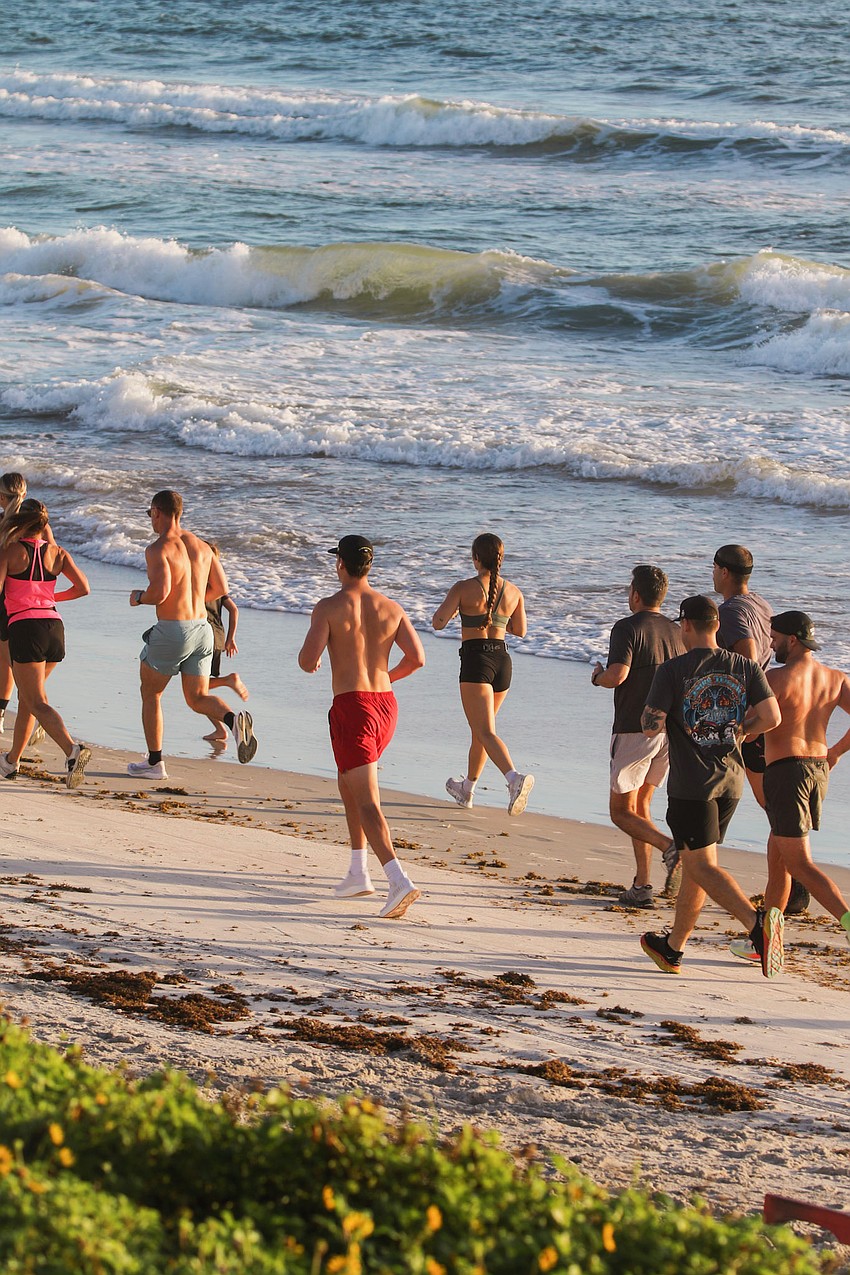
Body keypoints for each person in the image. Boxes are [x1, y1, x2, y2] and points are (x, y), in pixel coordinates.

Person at [638, 595, 782, 978]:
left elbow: (650, 726)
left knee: (698, 864)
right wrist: (742, 731)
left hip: (692, 786)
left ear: (685, 626)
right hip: (730, 783)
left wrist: (655, 714)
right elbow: (771, 716)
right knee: (701, 863)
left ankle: (757, 926)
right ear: (717, 625)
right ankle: (673, 948)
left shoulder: (673, 670)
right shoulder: (745, 666)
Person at [298, 534, 425, 919]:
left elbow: (307, 660)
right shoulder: (391, 607)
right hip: (385, 706)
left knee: (368, 798)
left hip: (353, 707)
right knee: (347, 780)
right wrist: (383, 679)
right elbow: (417, 658)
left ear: (340, 564)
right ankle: (358, 871)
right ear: (369, 566)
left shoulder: (329, 606)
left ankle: (397, 878)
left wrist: (318, 661)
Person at [730, 612, 850, 963]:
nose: (771, 643)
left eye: (775, 637)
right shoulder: (835, 678)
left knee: (799, 864)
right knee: (778, 860)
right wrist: (836, 752)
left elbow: (752, 728)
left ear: (793, 640)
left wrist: (737, 730)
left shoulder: (776, 677)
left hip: (786, 773)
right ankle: (766, 941)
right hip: (817, 771)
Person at [128, 491, 257, 779]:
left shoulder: (158, 548)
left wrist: (138, 597)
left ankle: (154, 763)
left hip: (173, 630)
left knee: (151, 694)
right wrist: (195, 602)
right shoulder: (202, 546)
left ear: (157, 512)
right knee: (197, 697)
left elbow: (159, 592)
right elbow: (221, 588)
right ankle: (234, 722)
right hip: (203, 629)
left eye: (150, 514)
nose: (151, 519)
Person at [713, 543, 810, 916]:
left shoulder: (731, 610)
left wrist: (747, 709)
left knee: (773, 806)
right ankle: (795, 884)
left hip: (753, 717)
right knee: (773, 804)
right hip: (767, 709)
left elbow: (751, 654)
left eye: (714, 568)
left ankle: (796, 887)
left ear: (722, 571)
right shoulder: (760, 603)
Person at [591, 564, 685, 907]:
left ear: (635, 594)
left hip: (634, 727)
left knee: (620, 810)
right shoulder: (677, 631)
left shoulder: (627, 627)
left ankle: (669, 848)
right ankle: (643, 886)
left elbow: (618, 675)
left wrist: (597, 676)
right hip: (669, 732)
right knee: (641, 805)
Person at [432, 533, 534, 816]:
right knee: (481, 730)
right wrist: (496, 621)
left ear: (475, 558)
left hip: (477, 661)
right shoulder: (514, 591)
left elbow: (438, 622)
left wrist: (458, 615)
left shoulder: (464, 587)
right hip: (502, 662)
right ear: (501, 558)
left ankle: (514, 779)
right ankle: (467, 788)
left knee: (485, 731)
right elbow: (521, 630)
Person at [0, 499, 91, 786]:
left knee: (36, 701)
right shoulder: (58, 553)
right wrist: (50, 598)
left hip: (26, 628)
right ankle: (11, 761)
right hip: (54, 627)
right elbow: (83, 588)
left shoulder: (11, 551)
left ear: (22, 522)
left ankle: (72, 750)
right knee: (29, 699)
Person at [202, 541, 249, 745]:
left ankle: (228, 680)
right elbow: (234, 610)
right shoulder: (218, 586)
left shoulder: (199, 583)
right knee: (200, 692)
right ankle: (220, 729)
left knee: (197, 691)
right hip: (218, 637)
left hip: (203, 637)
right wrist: (230, 638)